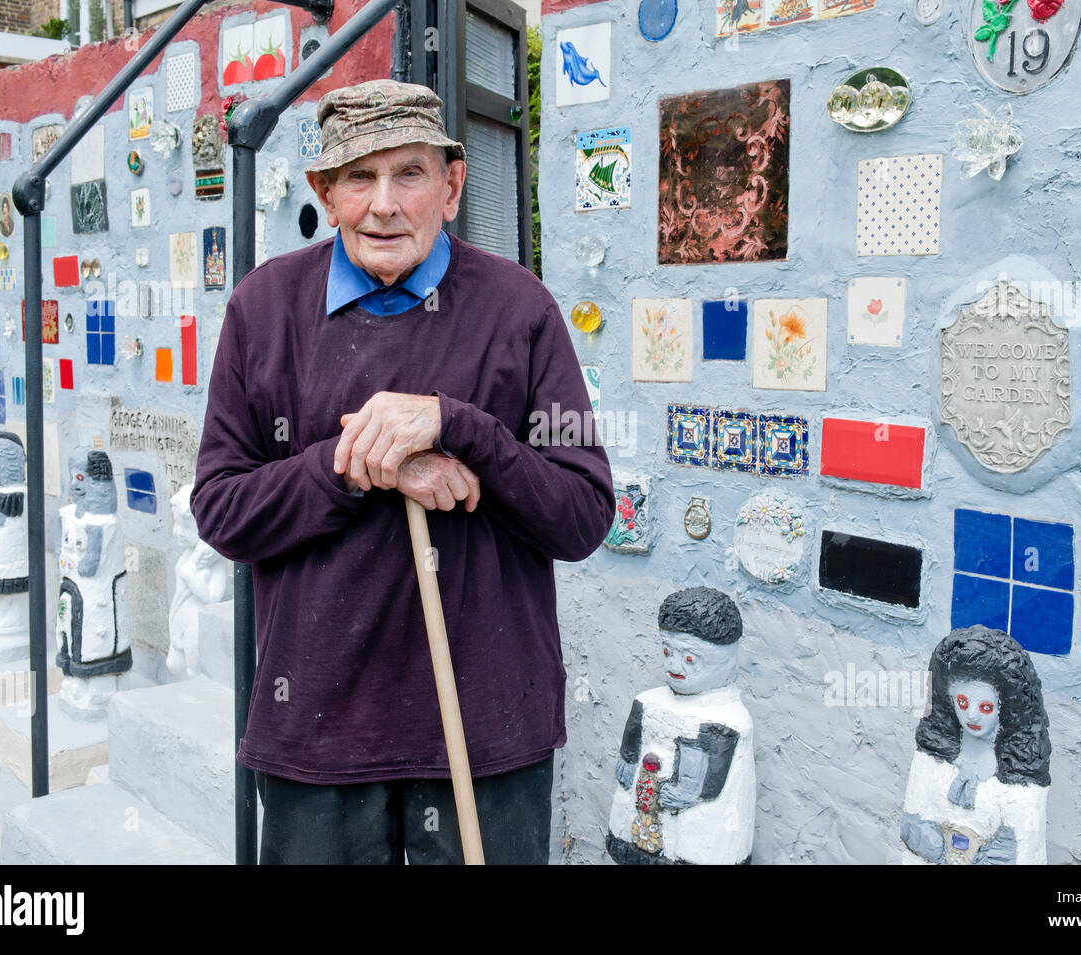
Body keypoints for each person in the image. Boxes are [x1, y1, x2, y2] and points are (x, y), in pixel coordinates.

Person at [191, 79, 614, 865]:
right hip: (317, 729)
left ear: (451, 187)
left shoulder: (519, 310)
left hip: (487, 730)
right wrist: (360, 467)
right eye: (359, 176)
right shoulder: (265, 308)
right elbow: (220, 509)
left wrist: (459, 426)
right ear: (325, 191)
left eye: (409, 174)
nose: (384, 204)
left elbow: (582, 514)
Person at [606, 587, 755, 865]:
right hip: (643, 809)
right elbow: (632, 743)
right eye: (667, 651)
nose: (674, 665)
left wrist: (691, 792)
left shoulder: (728, 720)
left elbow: (712, 779)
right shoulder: (647, 702)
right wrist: (627, 760)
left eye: (689, 657)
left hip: (692, 833)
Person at [900, 625, 1052, 865]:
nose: (971, 715)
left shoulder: (1021, 780)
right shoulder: (931, 758)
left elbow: (1021, 849)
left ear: (1006, 708)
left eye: (985, 707)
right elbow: (911, 826)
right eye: (962, 702)